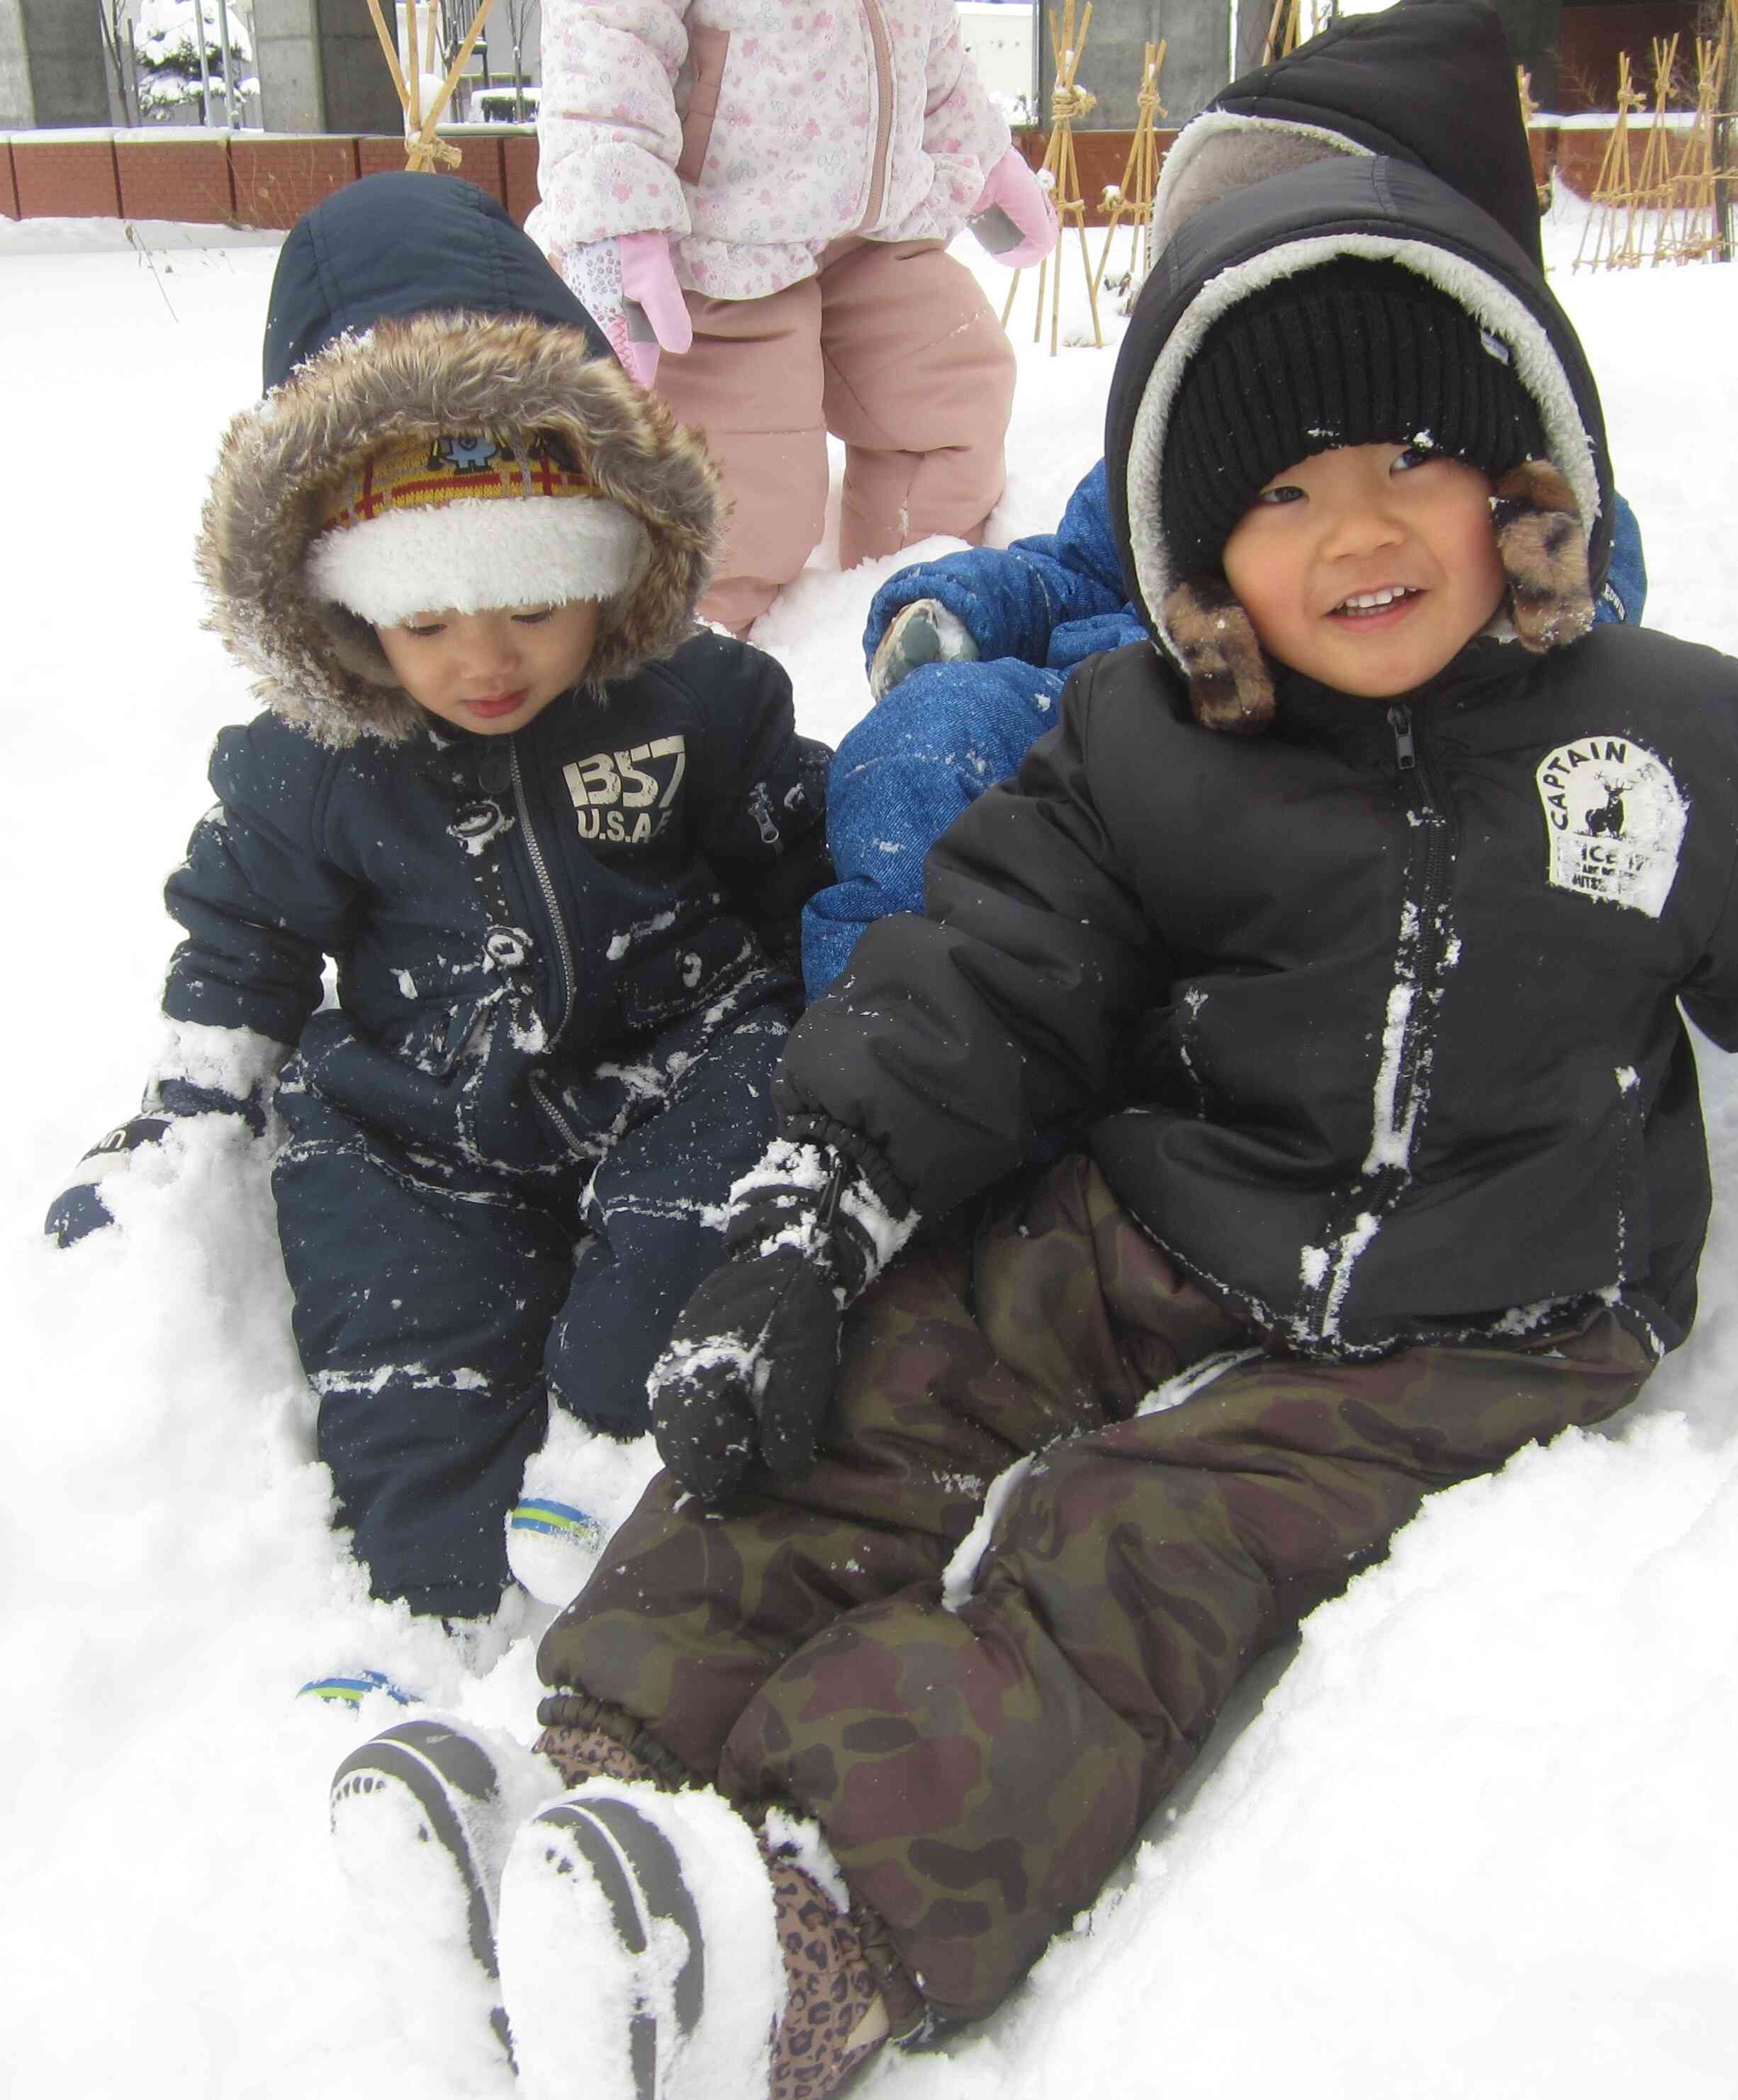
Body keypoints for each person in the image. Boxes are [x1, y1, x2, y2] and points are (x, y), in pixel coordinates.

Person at [327, 151, 1738, 2100]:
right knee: (895, 1383)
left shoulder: (1658, 741)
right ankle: (588, 1762)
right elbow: (982, 971)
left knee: (1128, 1550)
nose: (1357, 529)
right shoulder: (1150, 748)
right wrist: (821, 1207)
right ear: (1198, 559)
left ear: (1528, 490)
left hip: (1479, 1319)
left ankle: (806, 1926)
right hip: (1163, 1210)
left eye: (1411, 461)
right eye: (1283, 492)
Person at [43, 174, 832, 1651]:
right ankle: (443, 1609)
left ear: (611, 551)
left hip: (673, 1057)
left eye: (533, 600)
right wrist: (187, 1111)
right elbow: (244, 940)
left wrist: (864, 968)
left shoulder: (696, 696)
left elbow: (792, 843)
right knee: (396, 1323)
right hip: (431, 1108)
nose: (483, 658)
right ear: (342, 602)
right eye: (424, 617)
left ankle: (610, 1450)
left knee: (713, 1184)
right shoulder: (309, 762)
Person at [802, 0, 1649, 994]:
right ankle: (886, 1036)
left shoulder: (1524, 508)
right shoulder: (1184, 456)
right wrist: (969, 608)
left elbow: (1591, 630)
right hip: (1109, 728)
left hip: (1317, 756)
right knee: (934, 737)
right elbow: (1081, 563)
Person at [529, 0, 1059, 634]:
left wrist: (983, 159)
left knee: (951, 382)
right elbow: (606, 33)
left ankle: (924, 617)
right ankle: (706, 661)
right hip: (724, 240)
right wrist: (615, 213)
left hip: (876, 228)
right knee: (748, 490)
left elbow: (929, 47)